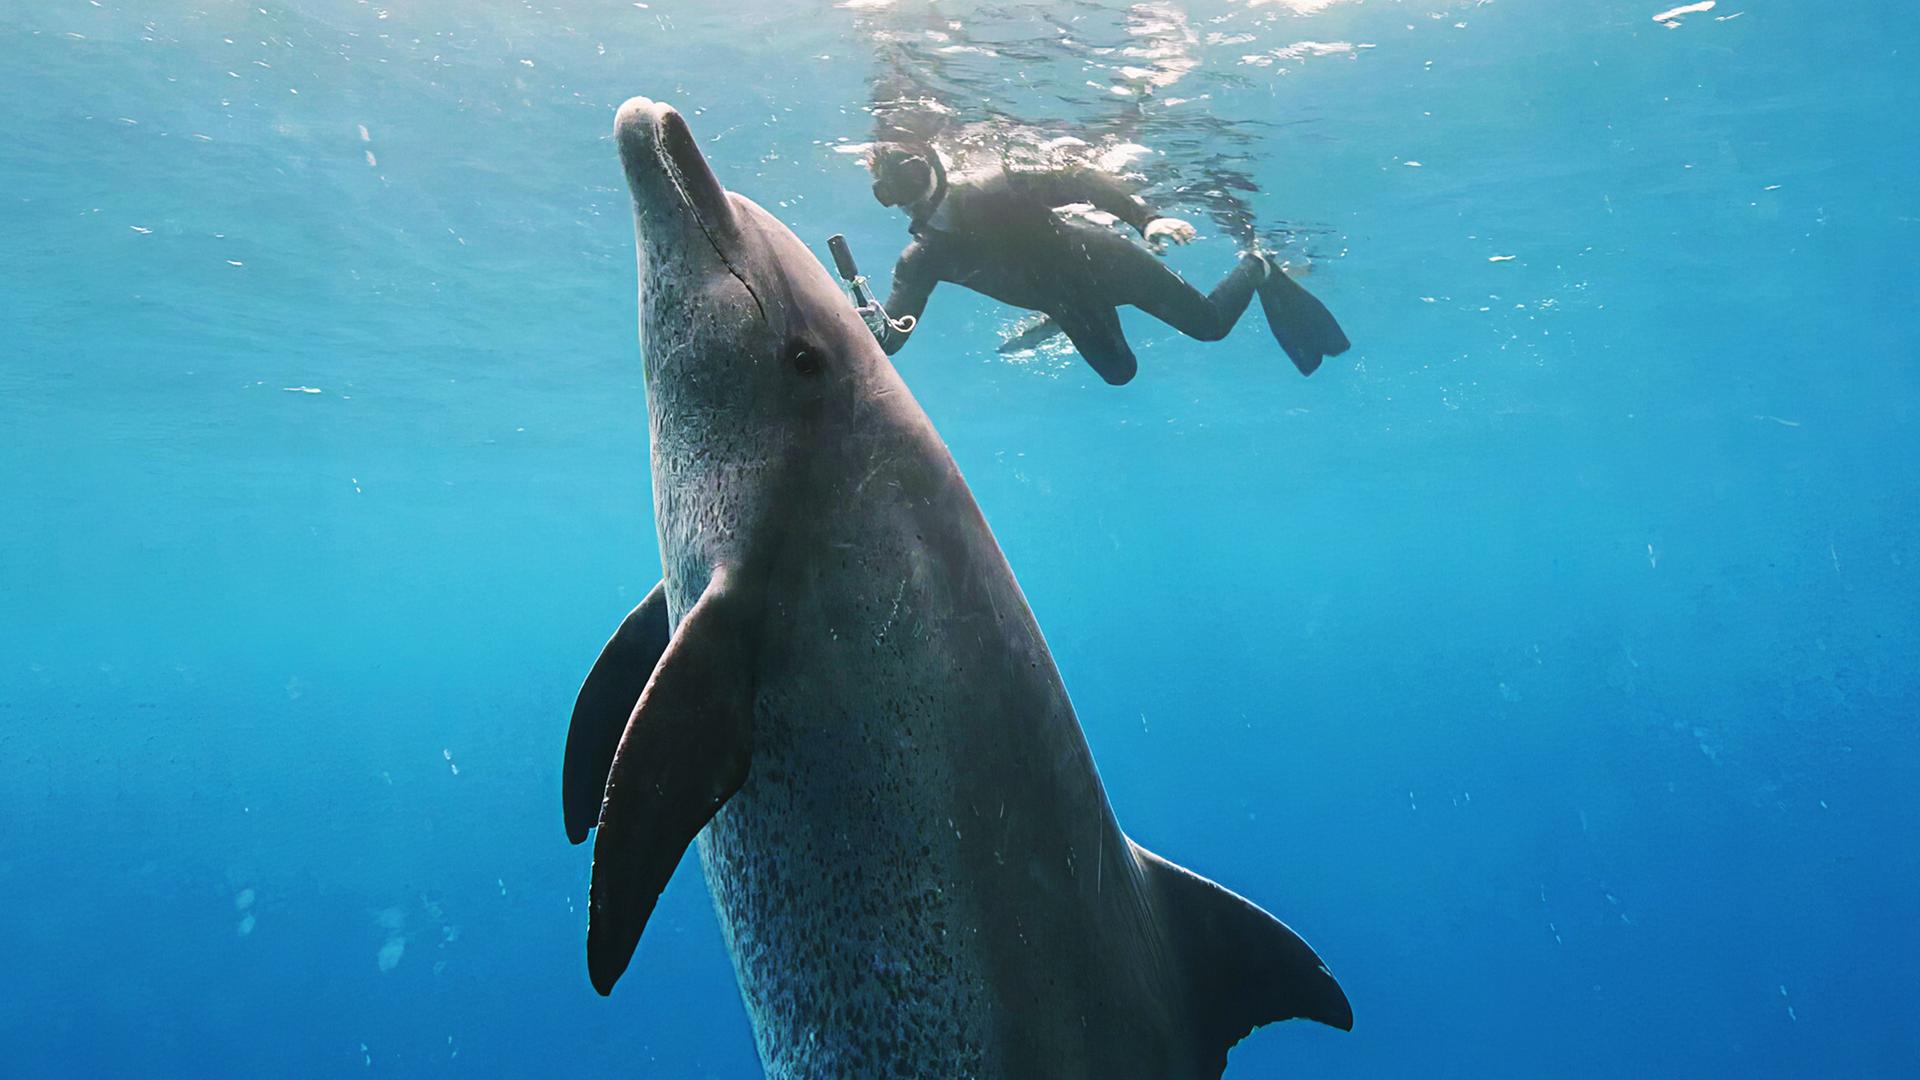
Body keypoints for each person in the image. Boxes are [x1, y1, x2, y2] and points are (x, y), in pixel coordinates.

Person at [863, 142, 1350, 385]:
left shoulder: (997, 188)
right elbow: (894, 337)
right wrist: (868, 328)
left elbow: (1084, 182)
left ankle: (1257, 265)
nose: (907, 198)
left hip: (1107, 261)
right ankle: (1055, 320)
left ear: (931, 167)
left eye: (910, 176)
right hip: (1067, 299)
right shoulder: (921, 261)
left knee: (1210, 326)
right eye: (891, 191)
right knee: (1120, 373)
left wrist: (1147, 219)